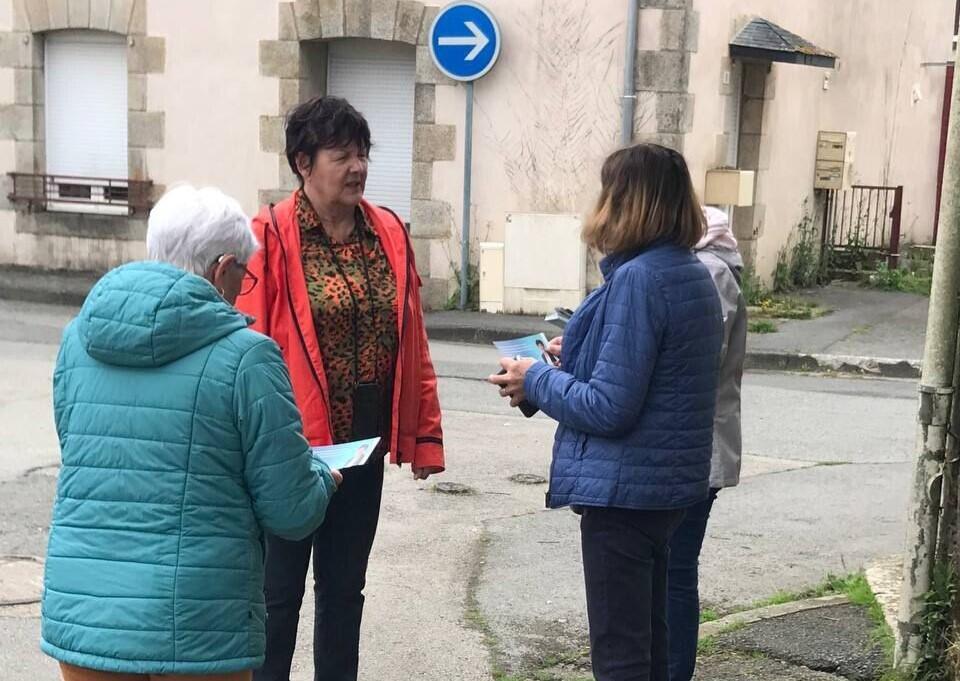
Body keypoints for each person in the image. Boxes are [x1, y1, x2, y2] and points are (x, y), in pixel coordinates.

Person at [41, 185, 341, 681]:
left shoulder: (77, 340)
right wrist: (322, 475)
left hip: (85, 617)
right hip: (199, 626)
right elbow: (291, 510)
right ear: (224, 269)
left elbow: (79, 448)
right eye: (244, 276)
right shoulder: (249, 357)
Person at [490, 143, 723, 681]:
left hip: (624, 494)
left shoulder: (640, 278)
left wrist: (537, 377)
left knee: (621, 658)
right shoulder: (688, 271)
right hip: (665, 487)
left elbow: (610, 406)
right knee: (653, 649)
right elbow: (655, 373)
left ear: (625, 200)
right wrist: (572, 356)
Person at [235, 95, 444, 681]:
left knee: (344, 592)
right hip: (289, 444)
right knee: (277, 596)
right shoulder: (269, 237)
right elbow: (245, 346)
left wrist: (425, 437)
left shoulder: (389, 233)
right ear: (303, 163)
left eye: (363, 154)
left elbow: (414, 342)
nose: (358, 167)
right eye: (342, 155)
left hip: (363, 443)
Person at [667, 206, 747, 681]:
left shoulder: (711, 273)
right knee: (672, 571)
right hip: (694, 446)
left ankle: (675, 672)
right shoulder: (712, 267)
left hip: (698, 449)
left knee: (675, 573)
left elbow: (697, 355)